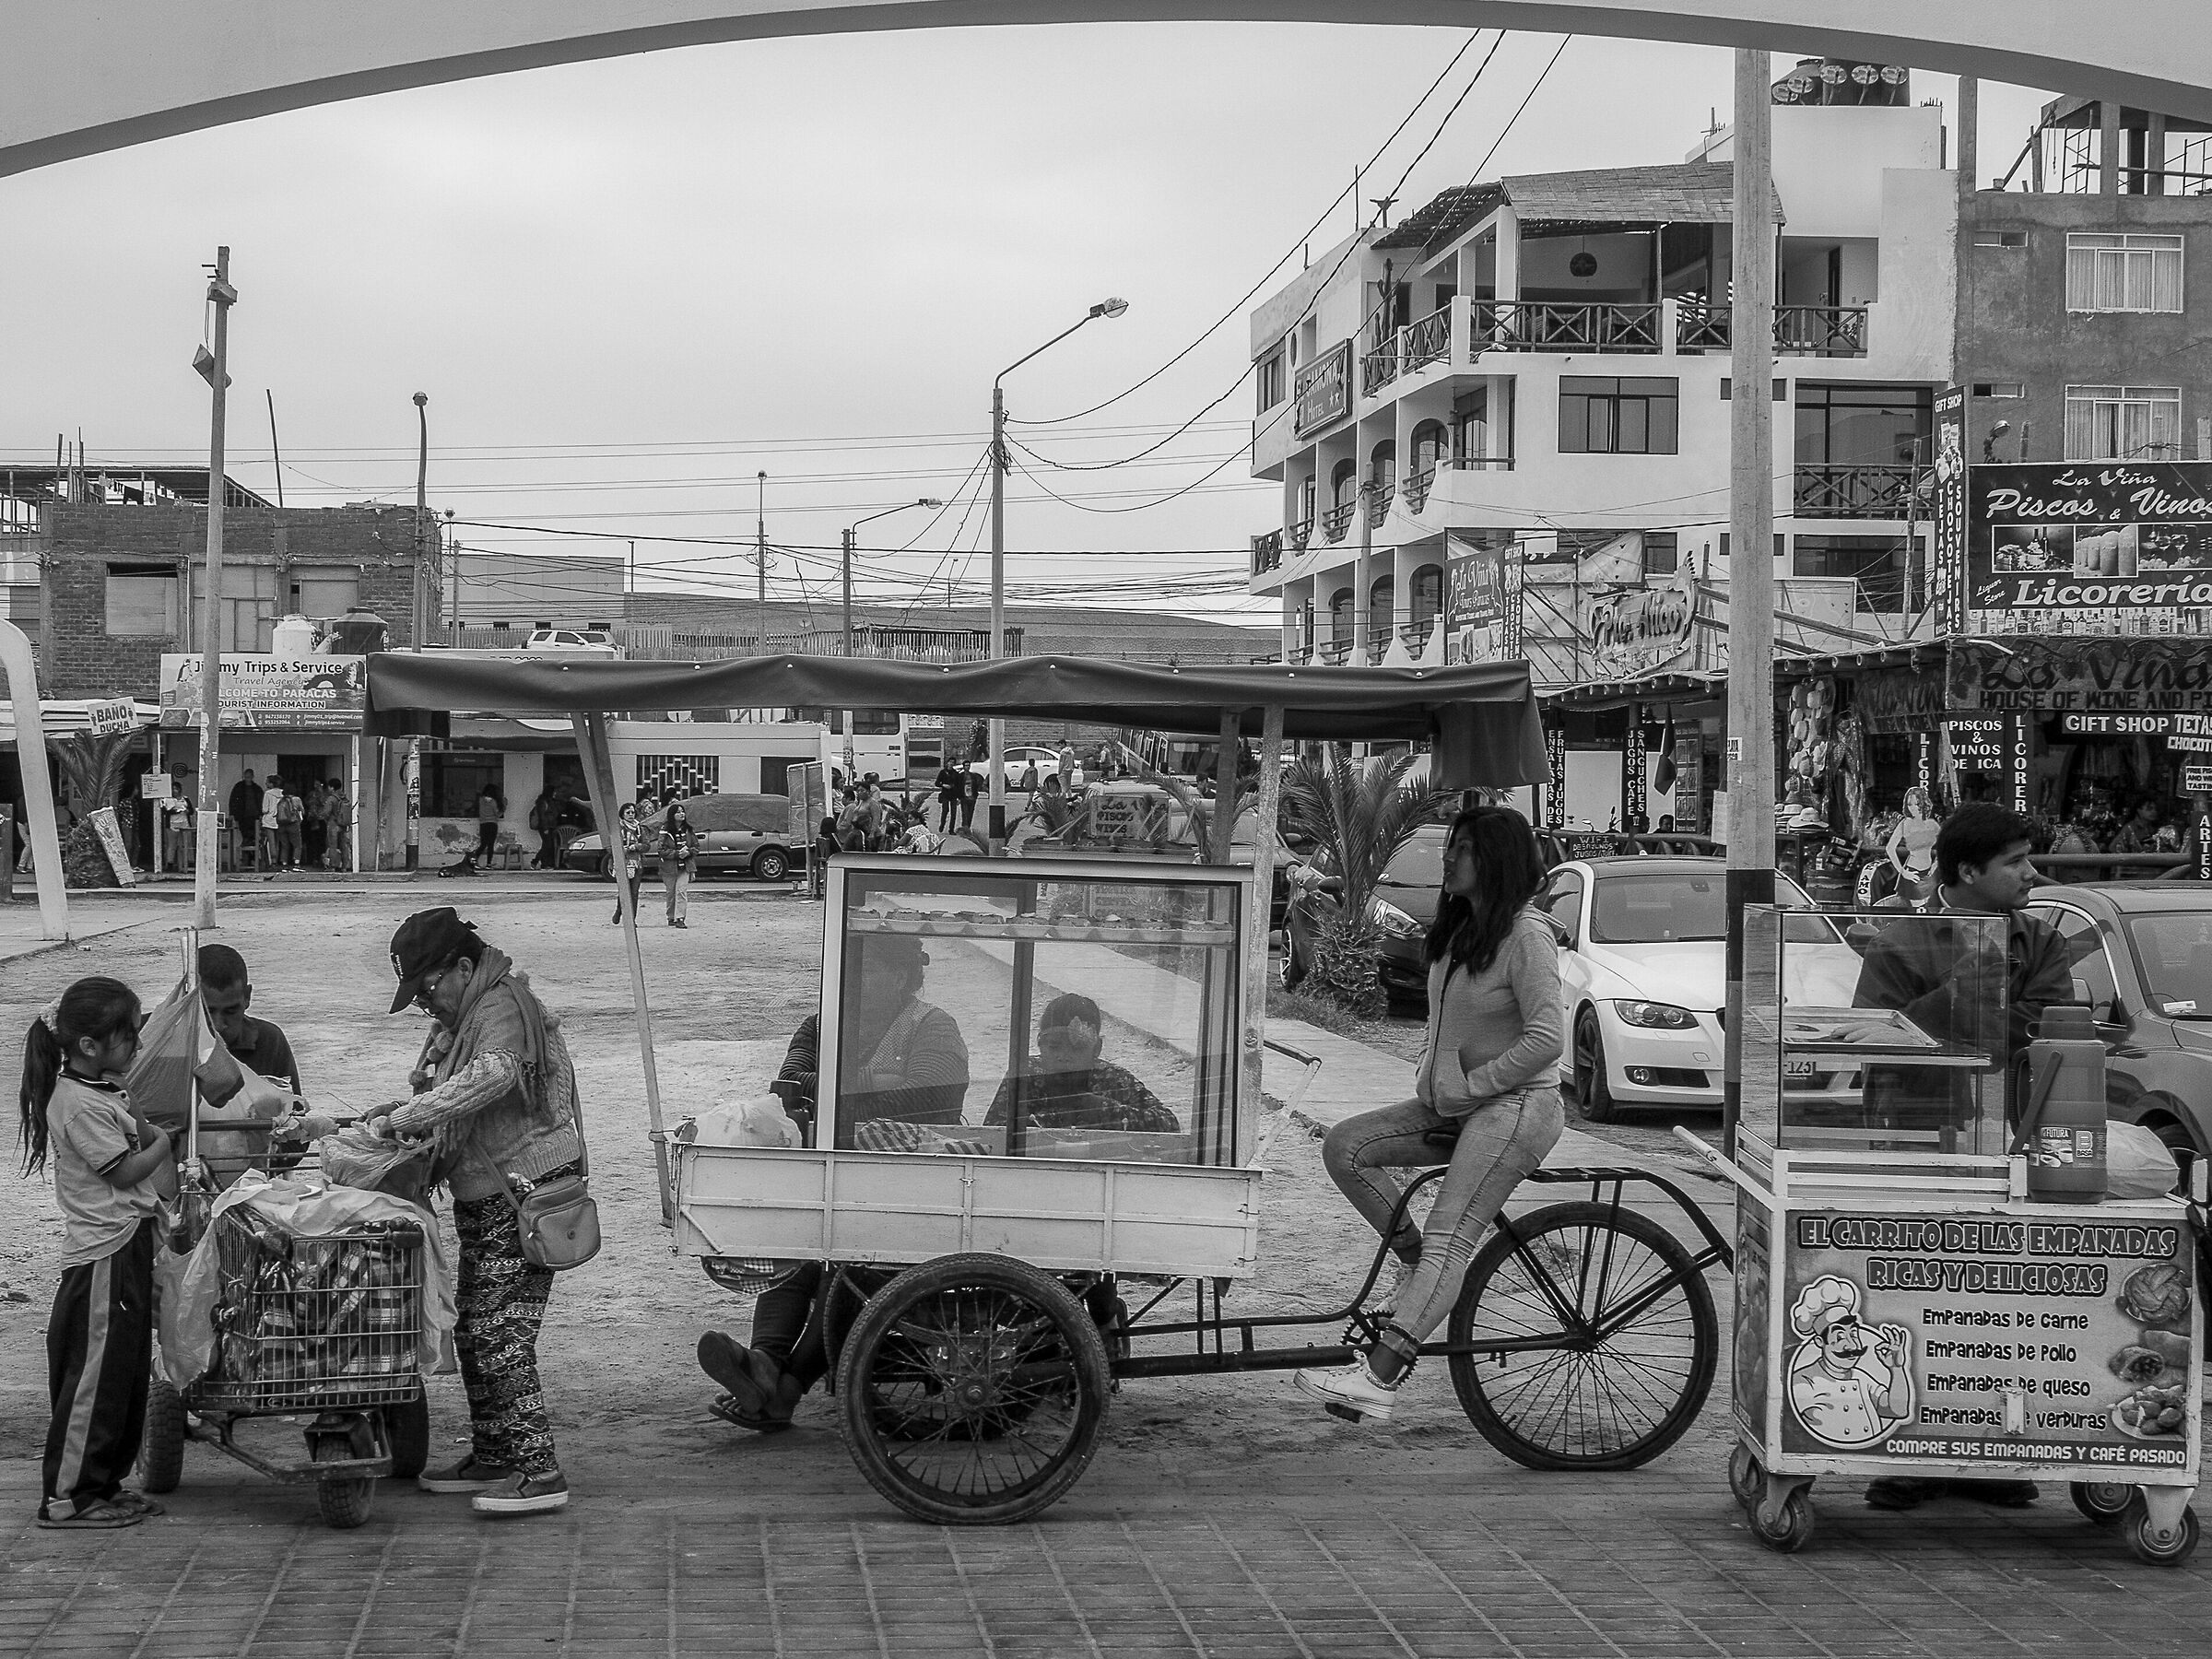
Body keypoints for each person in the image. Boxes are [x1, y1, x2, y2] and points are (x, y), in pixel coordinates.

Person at [1293, 806, 1565, 1424]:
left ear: (1494, 859)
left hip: (1519, 1107)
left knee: (1451, 1235)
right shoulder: (1461, 928)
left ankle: (1382, 1377)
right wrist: (1435, 1077)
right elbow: (1442, 1025)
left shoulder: (1527, 935)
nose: (1449, 858)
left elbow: (1549, 1037)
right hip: (1453, 1104)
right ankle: (1418, 1269)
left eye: (1463, 848)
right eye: (1451, 845)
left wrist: (1475, 1085)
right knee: (1345, 1147)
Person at [1852, 803, 2071, 1512]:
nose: (2032, 874)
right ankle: (1910, 1452)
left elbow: (2049, 1030)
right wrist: (1959, 998)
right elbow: (1881, 1039)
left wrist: (1978, 1017)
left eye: (2028, 859)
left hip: (2012, 1141)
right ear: (1968, 871)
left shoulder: (2039, 942)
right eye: (2016, 862)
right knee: (1914, 1296)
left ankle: (1991, 1453)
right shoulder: (1901, 939)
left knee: (2000, 1297)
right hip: (1917, 1142)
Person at [696, 934, 968, 1431]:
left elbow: (930, 1102)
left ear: (905, 977)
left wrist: (833, 1094)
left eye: (871, 970)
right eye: (853, 970)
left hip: (917, 1180)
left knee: (843, 1270)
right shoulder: (823, 1024)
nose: (855, 981)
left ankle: (783, 1386)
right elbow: (789, 1087)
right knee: (796, 1248)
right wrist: (839, 1094)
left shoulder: (933, 1028)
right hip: (841, 1173)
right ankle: (765, 1365)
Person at [371, 907, 582, 1516]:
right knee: (474, 1328)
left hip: (525, 1193)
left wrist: (408, 1117)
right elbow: (448, 1090)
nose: (424, 1004)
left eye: (429, 989)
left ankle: (538, 1469)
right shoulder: (469, 1012)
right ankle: (495, 1451)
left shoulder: (502, 1008)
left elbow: (492, 1078)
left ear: (463, 967)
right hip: (492, 1193)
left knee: (501, 1334)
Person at [21, 976, 175, 1529]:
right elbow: (127, 1167)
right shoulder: (78, 1104)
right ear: (89, 1045)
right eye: (129, 1035)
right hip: (102, 1253)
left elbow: (137, 1132)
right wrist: (161, 1143)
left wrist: (151, 1134)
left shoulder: (103, 1093)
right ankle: (68, 1497)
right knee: (93, 1378)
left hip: (125, 1242)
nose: (136, 1044)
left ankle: (103, 1485)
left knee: (123, 1375)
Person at [984, 994, 1179, 1142]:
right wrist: (1060, 1118)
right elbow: (991, 1132)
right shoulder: (1025, 1075)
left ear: (1097, 1049)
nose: (1064, 1056)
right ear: (1040, 1046)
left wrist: (1103, 1110)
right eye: (1054, 1047)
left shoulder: (1113, 1079)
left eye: (1077, 1047)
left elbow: (1169, 1125)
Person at [1884, 786, 1939, 900]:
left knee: (1930, 909)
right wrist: (1903, 872)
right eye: (1910, 804)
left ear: (1924, 803)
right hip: (1912, 872)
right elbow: (1890, 848)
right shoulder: (1905, 823)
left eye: (1917, 803)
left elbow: (1945, 846)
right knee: (1918, 912)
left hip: (1929, 873)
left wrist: (1935, 865)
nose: (1913, 808)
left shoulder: (1932, 823)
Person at [659, 802, 698, 928]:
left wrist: (688, 852)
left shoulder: (688, 830)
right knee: (671, 893)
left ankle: (680, 918)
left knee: (681, 891)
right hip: (669, 868)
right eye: (678, 812)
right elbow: (661, 850)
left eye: (683, 811)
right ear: (672, 815)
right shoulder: (665, 830)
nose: (682, 814)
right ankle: (671, 917)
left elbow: (696, 847)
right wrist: (676, 854)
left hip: (685, 866)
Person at [608, 803, 646, 925]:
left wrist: (636, 846)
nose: (631, 815)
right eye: (628, 812)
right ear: (622, 814)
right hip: (621, 862)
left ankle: (631, 920)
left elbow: (647, 845)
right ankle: (619, 911)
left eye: (633, 812)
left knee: (634, 893)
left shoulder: (639, 828)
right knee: (624, 891)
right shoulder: (617, 828)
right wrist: (621, 849)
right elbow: (611, 846)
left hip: (636, 864)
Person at [228, 770, 265, 871]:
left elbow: (261, 801)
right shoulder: (239, 787)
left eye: (249, 776)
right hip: (242, 817)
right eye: (246, 776)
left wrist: (261, 815)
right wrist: (232, 814)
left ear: (252, 776)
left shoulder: (256, 788)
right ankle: (247, 859)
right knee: (245, 838)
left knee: (254, 838)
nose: (247, 778)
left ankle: (251, 859)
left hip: (254, 817)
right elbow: (233, 800)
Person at [271, 782, 304, 872]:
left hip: (281, 825)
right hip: (293, 824)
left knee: (284, 845)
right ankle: (296, 864)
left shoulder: (281, 800)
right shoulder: (296, 799)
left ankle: (284, 865)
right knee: (297, 845)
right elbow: (302, 811)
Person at [475, 784, 504, 867]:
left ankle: (474, 860)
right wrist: (503, 808)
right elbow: (497, 814)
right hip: (492, 824)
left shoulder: (481, 800)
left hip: (483, 824)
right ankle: (488, 864)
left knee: (483, 844)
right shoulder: (493, 802)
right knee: (490, 845)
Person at [935, 760, 965, 834]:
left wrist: (960, 798)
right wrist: (943, 785)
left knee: (953, 813)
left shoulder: (956, 773)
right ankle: (942, 824)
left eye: (953, 762)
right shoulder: (943, 772)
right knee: (945, 810)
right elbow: (937, 783)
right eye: (950, 762)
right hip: (945, 794)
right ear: (947, 763)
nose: (951, 764)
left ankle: (951, 829)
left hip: (954, 795)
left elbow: (959, 786)